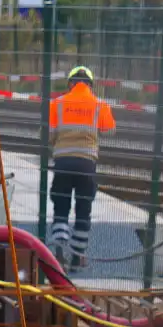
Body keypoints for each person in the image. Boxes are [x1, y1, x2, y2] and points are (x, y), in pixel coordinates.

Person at [48, 65, 116, 270]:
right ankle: (78, 258)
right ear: (90, 85)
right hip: (87, 164)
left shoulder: (57, 104)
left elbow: (50, 135)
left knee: (61, 206)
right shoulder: (99, 104)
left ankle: (59, 253)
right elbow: (110, 130)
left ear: (70, 84)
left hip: (63, 162)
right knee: (83, 209)